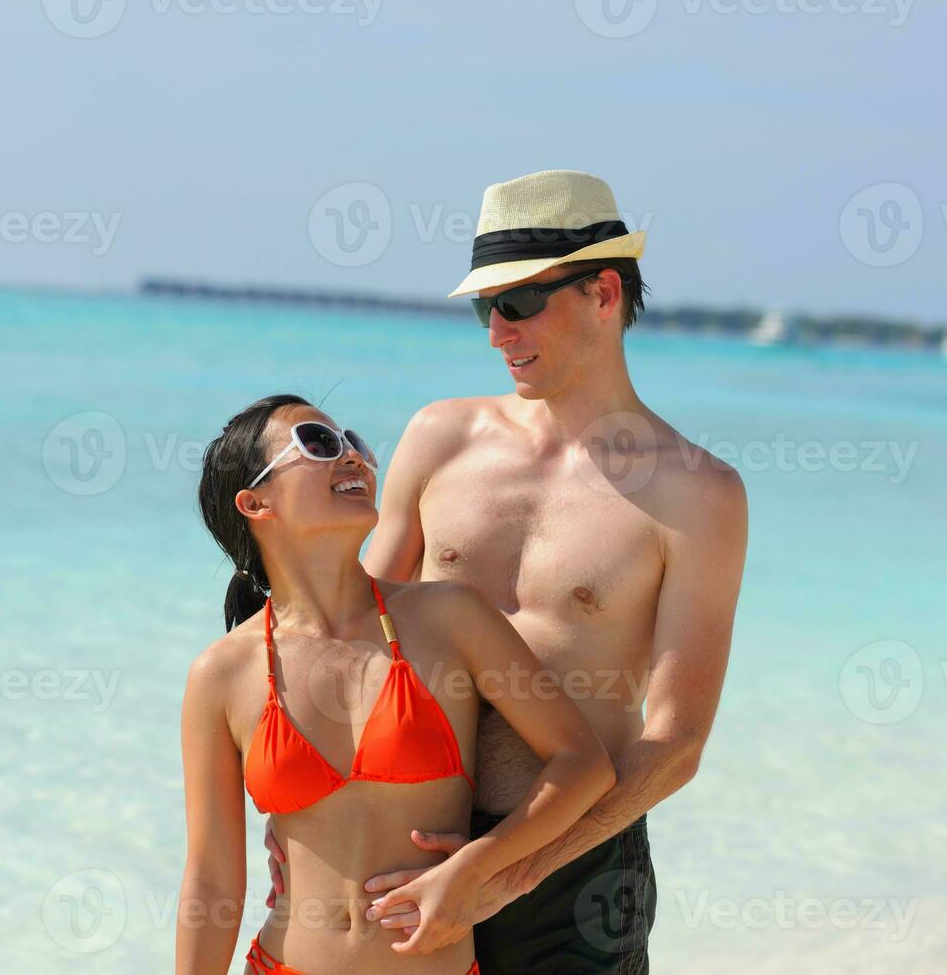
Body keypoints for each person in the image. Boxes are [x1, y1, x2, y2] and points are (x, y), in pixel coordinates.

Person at [263, 171, 749, 973]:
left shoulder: (698, 495)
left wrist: (502, 876)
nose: (497, 331)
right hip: (405, 841)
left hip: (575, 874)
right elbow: (348, 640)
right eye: (486, 307)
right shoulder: (441, 437)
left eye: (517, 303)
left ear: (602, 291)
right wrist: (295, 822)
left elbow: (675, 742)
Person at [176, 394, 617, 975]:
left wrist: (478, 867)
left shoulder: (450, 618)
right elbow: (212, 881)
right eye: (318, 443)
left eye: (355, 444)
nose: (354, 459)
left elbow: (584, 764)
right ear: (255, 502)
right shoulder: (222, 674)